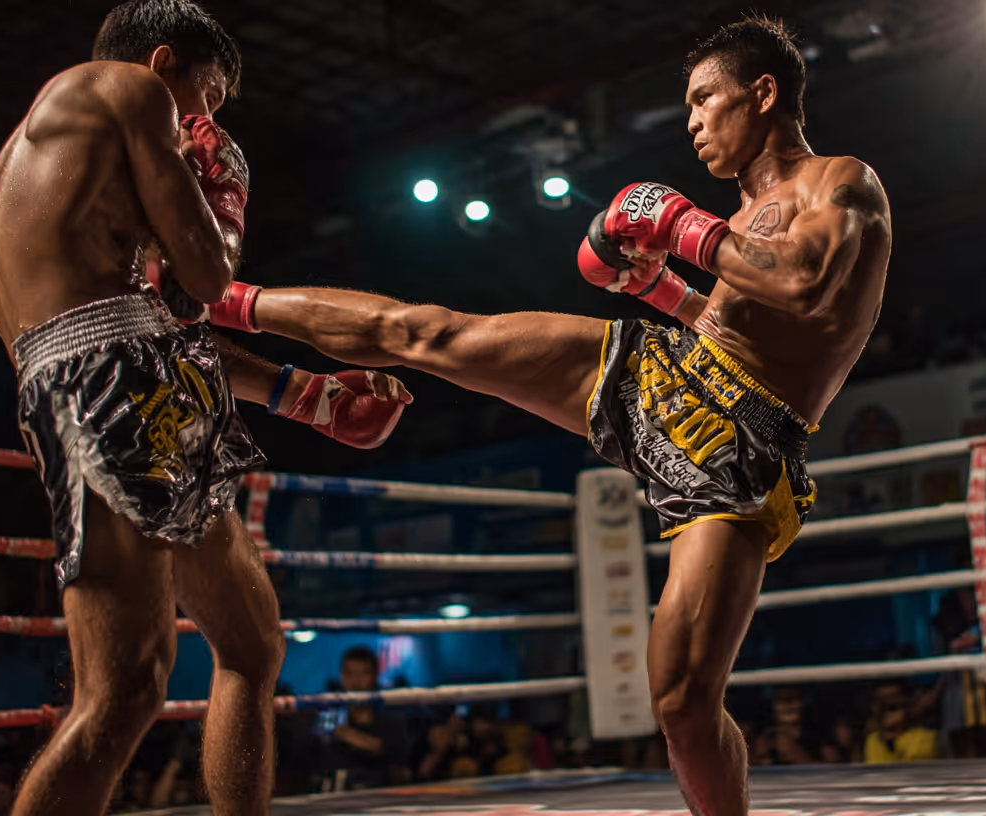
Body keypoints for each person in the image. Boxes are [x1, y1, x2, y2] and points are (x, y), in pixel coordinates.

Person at [184, 15, 890, 815]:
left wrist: (677, 223)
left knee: (682, 701)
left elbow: (803, 284)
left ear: (762, 93)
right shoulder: (745, 209)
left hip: (739, 443)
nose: (692, 121)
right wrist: (659, 290)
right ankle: (219, 301)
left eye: (704, 99)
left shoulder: (843, 183)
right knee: (432, 334)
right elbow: (731, 324)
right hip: (667, 370)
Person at [0, 2, 411, 813]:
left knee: (251, 644)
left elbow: (164, 318)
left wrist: (305, 395)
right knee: (125, 690)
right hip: (107, 383)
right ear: (164, 60)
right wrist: (223, 189)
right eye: (207, 96)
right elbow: (205, 280)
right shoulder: (129, 91)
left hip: (135, 372)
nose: (205, 120)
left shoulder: (74, 157)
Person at [322, 647, 411, 790]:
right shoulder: (331, 713)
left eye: (363, 673)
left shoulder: (391, 718)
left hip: (382, 795)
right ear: (341, 675)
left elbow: (396, 755)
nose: (356, 681)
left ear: (375, 676)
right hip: (339, 795)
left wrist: (348, 735)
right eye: (349, 674)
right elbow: (319, 749)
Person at [862, 681, 938, 764]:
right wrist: (887, 739)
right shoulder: (873, 739)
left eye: (893, 708)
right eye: (882, 708)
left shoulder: (924, 737)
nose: (887, 715)